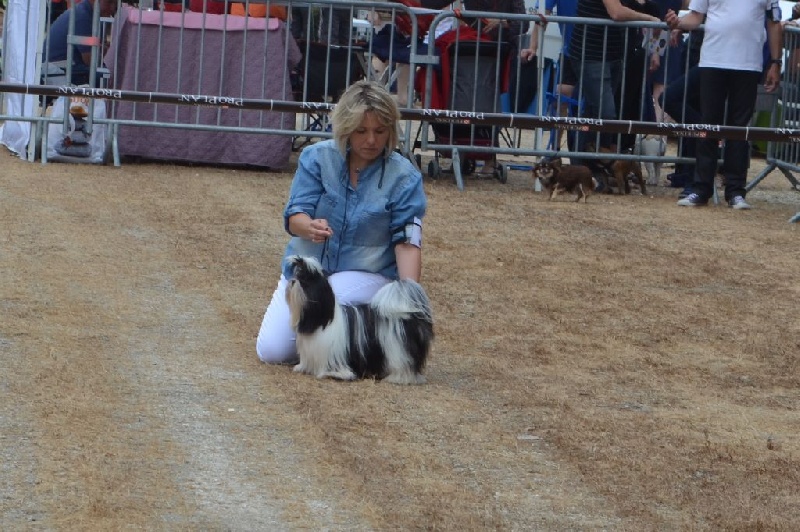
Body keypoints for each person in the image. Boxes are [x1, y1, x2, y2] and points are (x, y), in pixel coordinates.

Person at [256, 81, 428, 364]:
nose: (371, 140)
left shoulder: (404, 177)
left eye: (380, 131)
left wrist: (409, 301)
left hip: (367, 273)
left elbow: (407, 242)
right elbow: (295, 215)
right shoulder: (316, 157)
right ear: (345, 127)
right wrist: (308, 226)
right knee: (272, 351)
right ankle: (354, 346)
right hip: (309, 272)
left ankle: (347, 348)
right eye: (361, 131)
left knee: (328, 304)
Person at [667, 0, 782, 209]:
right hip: (713, 60)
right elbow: (695, 17)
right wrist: (678, 23)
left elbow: (774, 22)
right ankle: (701, 189)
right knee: (708, 125)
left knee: (739, 129)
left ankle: (736, 191)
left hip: (748, 64)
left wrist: (776, 62)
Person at [567, 0, 661, 167]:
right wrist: (650, 18)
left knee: (594, 112)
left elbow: (635, 5)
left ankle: (583, 166)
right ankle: (596, 162)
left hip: (614, 54)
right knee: (606, 113)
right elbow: (616, 12)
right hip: (591, 54)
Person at [520, 0, 579, 150]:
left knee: (592, 102)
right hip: (570, 52)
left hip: (601, 53)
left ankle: (594, 151)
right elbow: (542, 18)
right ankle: (555, 149)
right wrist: (533, 47)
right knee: (561, 96)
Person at [46, 0, 118, 86]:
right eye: (109, 2)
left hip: (61, 66)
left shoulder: (85, 12)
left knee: (105, 73)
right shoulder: (83, 16)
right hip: (57, 70)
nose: (113, 8)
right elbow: (90, 59)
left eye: (115, 4)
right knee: (105, 76)